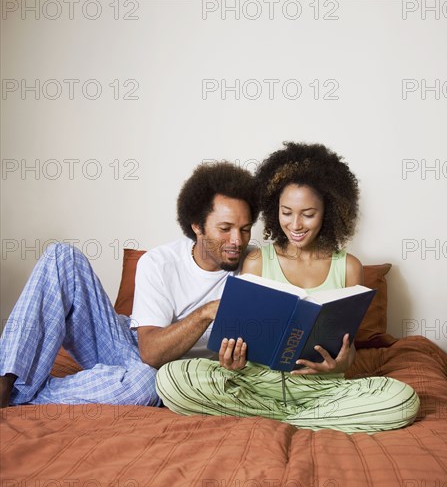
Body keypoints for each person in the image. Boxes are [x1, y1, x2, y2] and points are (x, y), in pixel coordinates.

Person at [156, 142, 420, 433]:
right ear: (273, 210)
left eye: (308, 214)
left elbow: (348, 350)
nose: (295, 224)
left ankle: (276, 419)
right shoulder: (256, 261)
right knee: (171, 378)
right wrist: (233, 361)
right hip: (257, 385)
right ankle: (308, 421)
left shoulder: (349, 267)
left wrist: (342, 363)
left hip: (320, 390)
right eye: (286, 212)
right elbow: (242, 341)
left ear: (327, 212)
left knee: (402, 400)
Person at [0, 162, 259, 408]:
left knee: (144, 385)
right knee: (62, 257)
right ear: (197, 227)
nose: (237, 240)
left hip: (166, 375)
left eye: (245, 229)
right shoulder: (159, 263)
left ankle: (22, 395)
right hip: (129, 344)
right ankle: (5, 381)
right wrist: (206, 312)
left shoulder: (256, 264)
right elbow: (150, 352)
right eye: (225, 228)